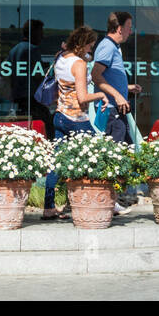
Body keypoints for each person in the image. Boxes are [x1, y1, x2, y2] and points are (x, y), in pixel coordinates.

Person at [41, 26, 106, 221]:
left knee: (55, 163)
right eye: (89, 46)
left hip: (60, 116)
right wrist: (102, 94)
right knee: (99, 154)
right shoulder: (79, 64)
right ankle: (100, 201)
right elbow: (83, 97)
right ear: (81, 44)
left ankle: (49, 207)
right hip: (76, 119)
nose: (91, 50)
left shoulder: (60, 57)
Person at [91, 11, 142, 145]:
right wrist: (118, 96)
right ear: (120, 29)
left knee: (125, 149)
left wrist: (127, 88)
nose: (130, 32)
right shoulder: (108, 46)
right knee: (118, 152)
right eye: (129, 27)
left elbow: (107, 78)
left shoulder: (113, 46)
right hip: (111, 109)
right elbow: (95, 76)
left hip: (115, 108)